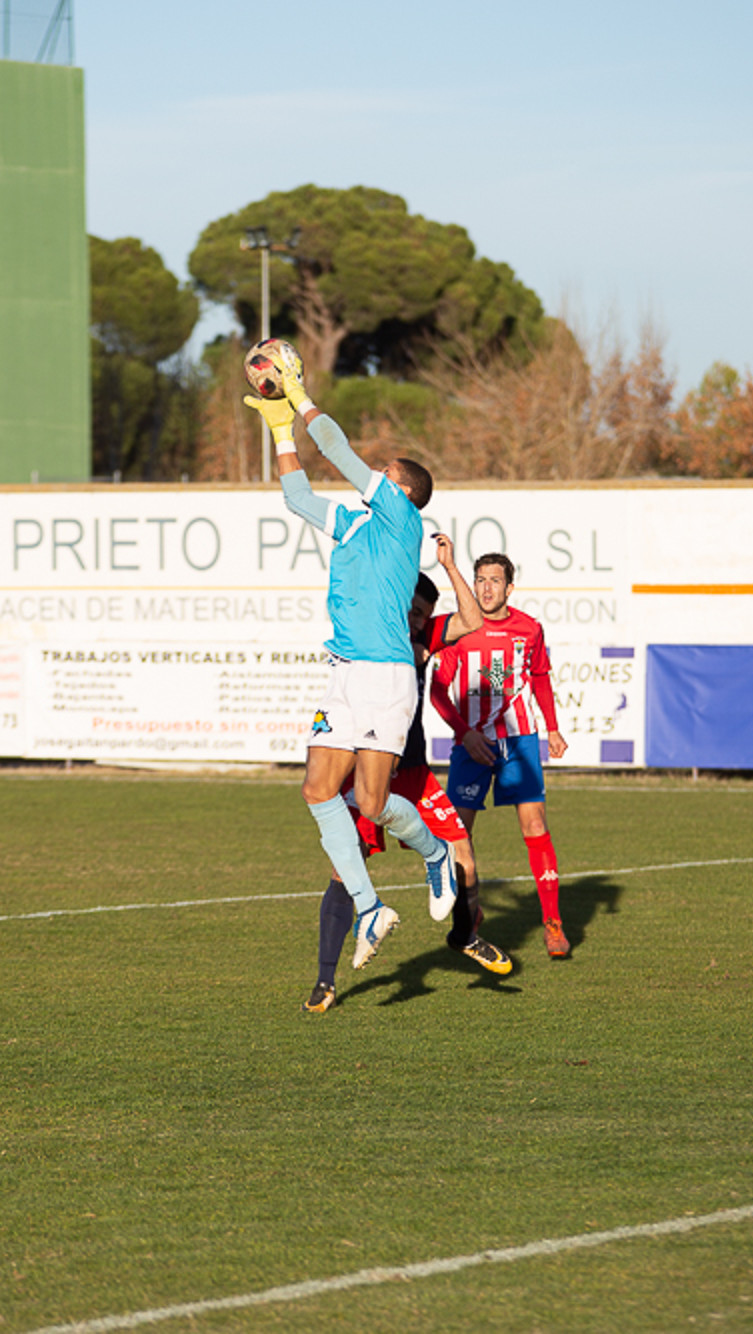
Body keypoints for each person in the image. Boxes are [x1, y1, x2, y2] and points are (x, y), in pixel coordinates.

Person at [243, 348, 456, 975]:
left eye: (387, 472)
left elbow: (335, 449)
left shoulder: (401, 521)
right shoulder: (359, 523)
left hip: (387, 675)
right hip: (342, 673)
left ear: (403, 490)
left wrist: (300, 395)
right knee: (316, 789)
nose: (377, 475)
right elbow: (298, 497)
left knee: (370, 803)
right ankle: (369, 907)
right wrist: (279, 428)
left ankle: (435, 853)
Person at [306, 558, 515, 1013]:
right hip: (367, 766)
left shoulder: (424, 639)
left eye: (422, 615)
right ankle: (325, 981)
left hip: (413, 770)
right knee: (346, 868)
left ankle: (465, 937)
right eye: (411, 611)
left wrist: (451, 567)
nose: (415, 621)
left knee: (465, 856)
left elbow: (471, 619)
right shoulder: (370, 635)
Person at [431, 553, 573, 959]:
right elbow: (438, 691)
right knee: (459, 834)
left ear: (510, 588)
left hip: (519, 742)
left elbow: (541, 675)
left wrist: (552, 727)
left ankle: (552, 922)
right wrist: (465, 732)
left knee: (535, 825)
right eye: (480, 580)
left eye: (494, 580)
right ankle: (469, 916)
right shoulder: (458, 629)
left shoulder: (529, 629)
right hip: (471, 744)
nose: (486, 588)